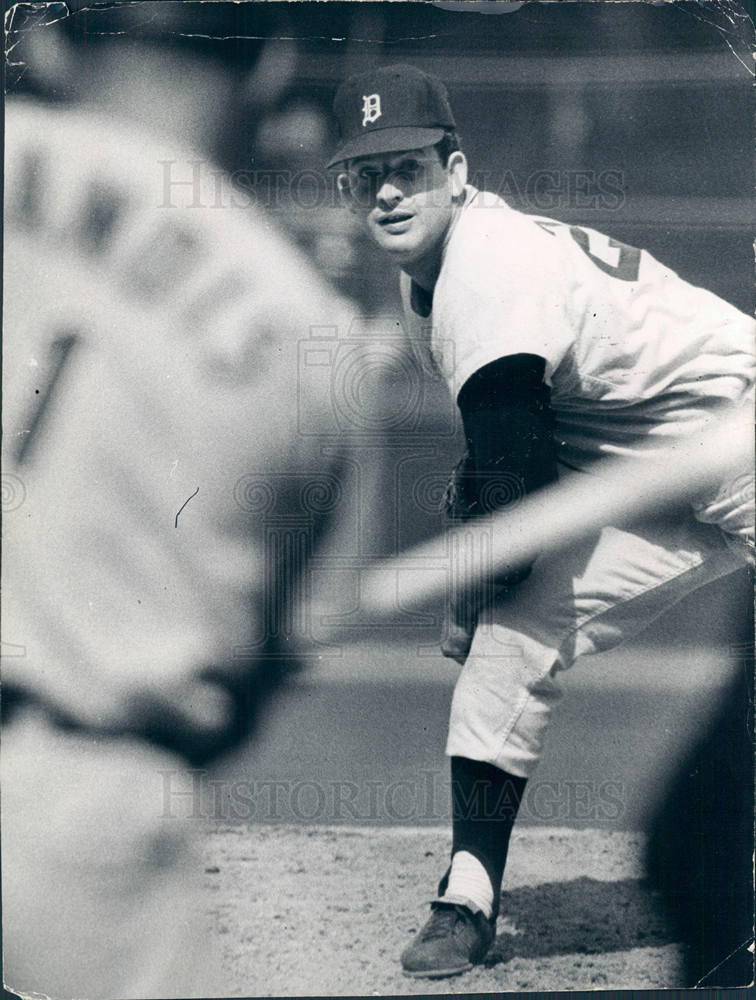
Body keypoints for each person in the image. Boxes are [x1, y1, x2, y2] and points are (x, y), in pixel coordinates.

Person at [327, 63, 755, 980]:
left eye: (407, 166)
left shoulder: (486, 263)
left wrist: (465, 586)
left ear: (457, 170)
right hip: (653, 471)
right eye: (367, 175)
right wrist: (478, 591)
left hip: (742, 441)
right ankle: (468, 896)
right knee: (510, 644)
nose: (389, 191)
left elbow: (515, 476)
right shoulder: (428, 281)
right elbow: (510, 450)